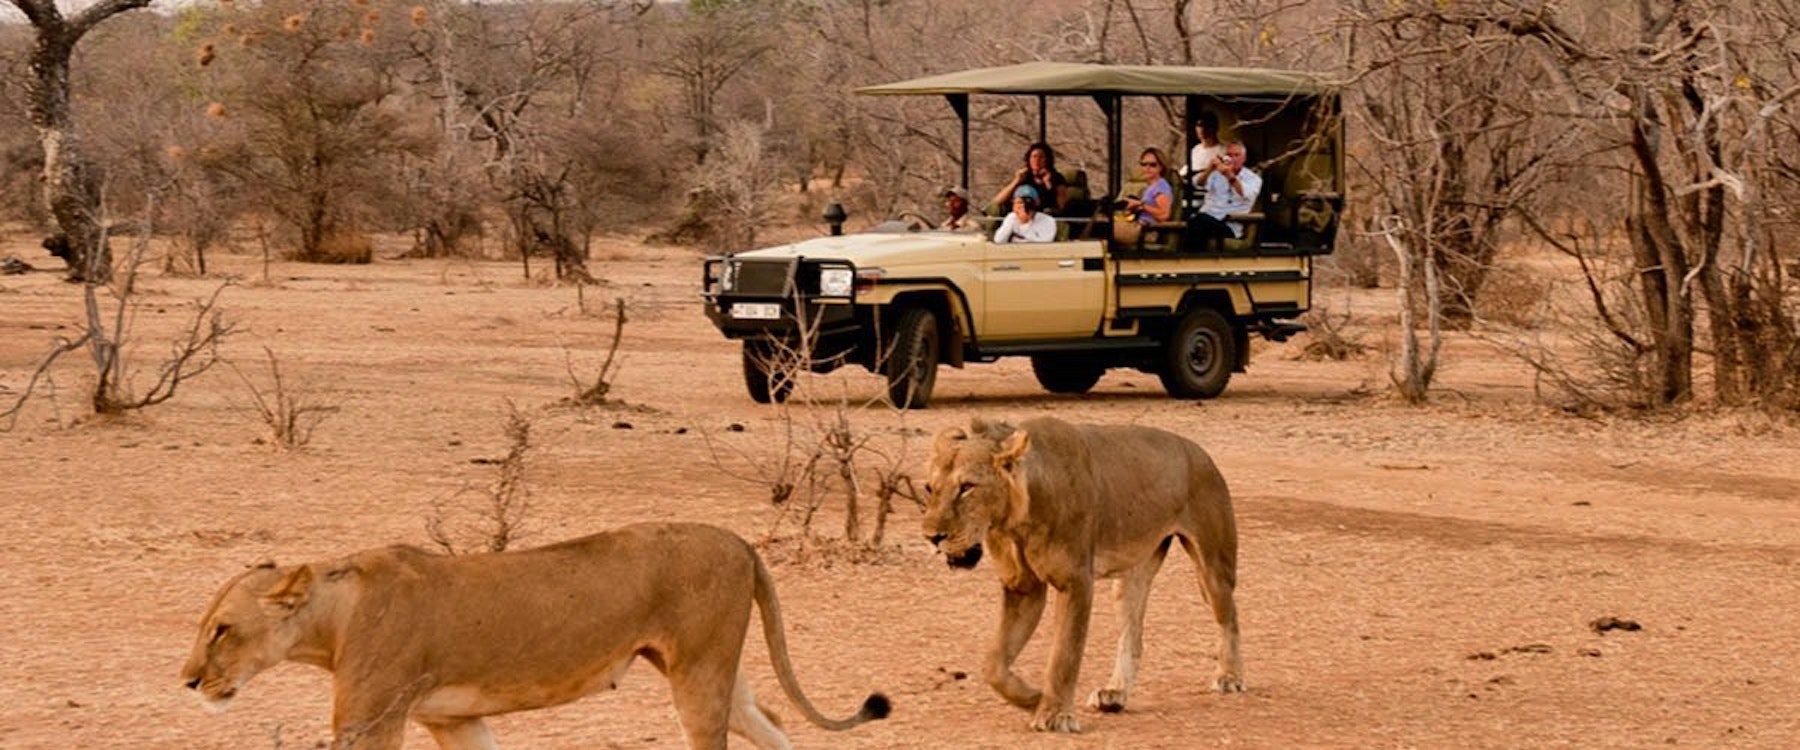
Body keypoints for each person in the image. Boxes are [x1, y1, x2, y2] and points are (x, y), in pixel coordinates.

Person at [1192, 141, 1263, 241]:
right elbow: (1197, 183)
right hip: (1207, 217)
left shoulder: (1253, 179)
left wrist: (1229, 175)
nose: (1233, 158)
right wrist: (1209, 169)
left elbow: (1246, 193)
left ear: (1244, 158)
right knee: (1195, 222)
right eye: (1229, 155)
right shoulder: (1216, 173)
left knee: (1198, 223)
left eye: (1237, 155)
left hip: (1229, 225)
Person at [991, 142, 1068, 215]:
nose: (1037, 160)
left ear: (1047, 159)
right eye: (1034, 156)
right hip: (1021, 213)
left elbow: (1062, 206)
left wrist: (1048, 184)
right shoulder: (1024, 176)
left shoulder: (1057, 178)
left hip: (1043, 215)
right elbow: (996, 202)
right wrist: (1016, 182)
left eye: (1041, 157)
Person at [1121, 147, 1174, 226]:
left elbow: (1164, 215)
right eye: (1144, 164)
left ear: (1161, 167)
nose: (1147, 168)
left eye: (1152, 165)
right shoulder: (1151, 186)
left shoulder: (1161, 186)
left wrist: (1141, 205)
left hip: (1149, 231)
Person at [993, 184, 1057, 243]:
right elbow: (999, 240)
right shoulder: (1011, 217)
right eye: (1019, 202)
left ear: (1036, 203)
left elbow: (1045, 244)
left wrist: (1025, 224)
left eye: (1028, 202)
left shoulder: (1048, 220)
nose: (1023, 206)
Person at [1185, 111, 1226, 192]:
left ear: (1214, 128)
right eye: (1198, 125)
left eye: (1205, 125)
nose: (1201, 129)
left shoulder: (1224, 150)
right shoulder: (1195, 150)